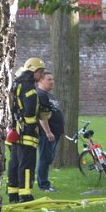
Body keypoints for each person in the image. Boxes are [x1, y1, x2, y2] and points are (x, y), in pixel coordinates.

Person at [7, 57, 48, 203]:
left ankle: (13, 193)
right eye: (40, 72)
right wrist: (32, 127)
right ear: (34, 71)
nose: (42, 76)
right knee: (27, 165)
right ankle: (25, 195)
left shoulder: (18, 83)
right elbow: (30, 111)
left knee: (15, 163)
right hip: (26, 134)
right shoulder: (29, 87)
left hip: (15, 131)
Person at [36, 71, 64, 192]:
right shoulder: (41, 95)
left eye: (53, 79)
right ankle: (43, 185)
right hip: (47, 134)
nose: (52, 82)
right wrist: (48, 132)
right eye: (49, 79)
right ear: (41, 80)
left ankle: (45, 183)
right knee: (44, 158)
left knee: (48, 158)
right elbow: (42, 116)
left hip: (55, 132)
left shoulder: (49, 95)